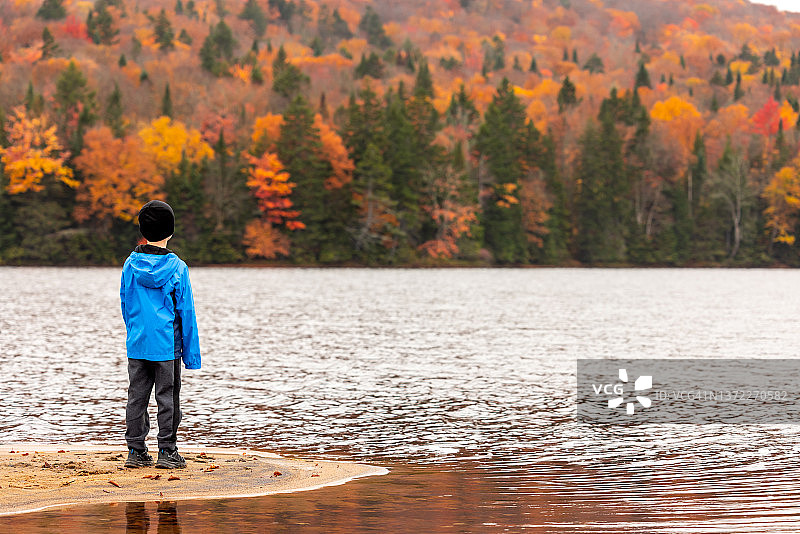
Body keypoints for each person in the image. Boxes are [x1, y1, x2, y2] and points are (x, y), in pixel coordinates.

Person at [120, 200, 201, 469]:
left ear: (143, 230)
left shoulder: (130, 265)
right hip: (167, 345)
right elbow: (186, 313)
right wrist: (191, 356)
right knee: (168, 398)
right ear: (170, 232)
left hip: (138, 342)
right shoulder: (178, 268)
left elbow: (126, 303)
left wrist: (134, 332)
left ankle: (136, 451)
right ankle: (167, 451)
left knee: (137, 397)